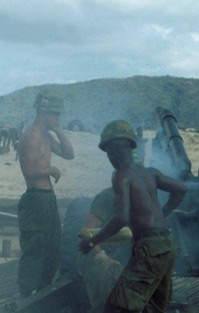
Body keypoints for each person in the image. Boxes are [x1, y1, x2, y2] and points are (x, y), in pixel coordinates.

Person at [79, 119, 188, 313]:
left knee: (116, 307)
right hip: (167, 244)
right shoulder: (150, 173)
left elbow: (121, 217)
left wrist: (93, 241)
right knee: (152, 308)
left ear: (112, 151)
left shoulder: (121, 175)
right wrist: (162, 214)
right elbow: (181, 189)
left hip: (149, 249)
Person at [17, 90, 75, 297]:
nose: (58, 118)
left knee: (53, 249)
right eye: (56, 114)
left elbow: (69, 154)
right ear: (44, 113)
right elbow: (29, 171)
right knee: (34, 250)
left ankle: (42, 295)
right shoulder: (30, 137)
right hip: (35, 199)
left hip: (47, 199)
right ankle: (24, 299)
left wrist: (59, 130)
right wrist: (51, 170)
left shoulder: (47, 137)